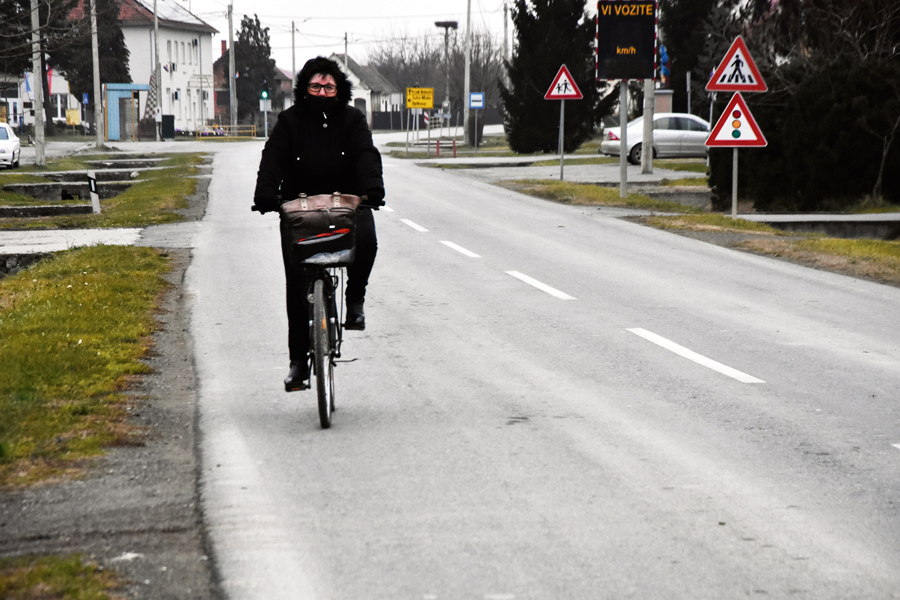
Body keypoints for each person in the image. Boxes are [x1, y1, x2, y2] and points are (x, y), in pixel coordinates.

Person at [253, 56, 385, 392]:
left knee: (367, 241)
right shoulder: (289, 121)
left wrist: (373, 189)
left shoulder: (353, 119)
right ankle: (298, 364)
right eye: (315, 85)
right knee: (296, 285)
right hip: (300, 208)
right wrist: (266, 194)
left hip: (348, 203)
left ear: (339, 88)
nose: (323, 91)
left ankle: (355, 302)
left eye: (329, 86)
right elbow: (273, 158)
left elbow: (366, 155)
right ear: (304, 88)